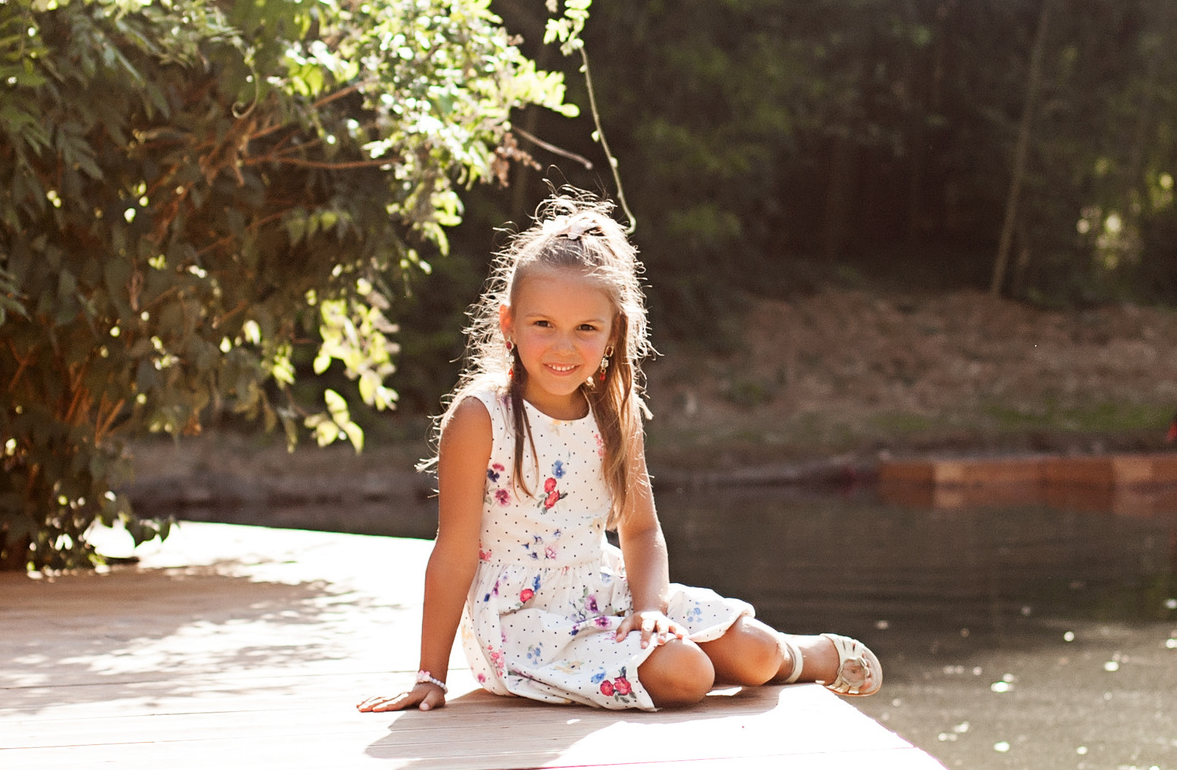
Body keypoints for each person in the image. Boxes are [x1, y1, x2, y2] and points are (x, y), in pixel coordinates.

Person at [358, 196, 879, 713]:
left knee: (758, 652)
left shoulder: (612, 414)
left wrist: (649, 609)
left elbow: (641, 531)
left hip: (606, 592)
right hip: (525, 623)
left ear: (612, 335)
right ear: (509, 323)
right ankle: (677, 660)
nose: (563, 347)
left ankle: (805, 655)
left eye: (586, 328)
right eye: (543, 325)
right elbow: (454, 551)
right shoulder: (480, 417)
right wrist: (431, 675)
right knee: (687, 673)